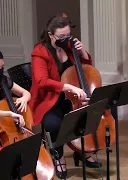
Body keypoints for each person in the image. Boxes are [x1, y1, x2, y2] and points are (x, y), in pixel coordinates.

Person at [29, 15, 101, 179]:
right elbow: (41, 81)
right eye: (61, 37)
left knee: (88, 115)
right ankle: (59, 157)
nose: (65, 39)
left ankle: (83, 152)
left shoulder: (69, 46)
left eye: (68, 35)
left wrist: (82, 51)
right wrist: (67, 86)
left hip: (72, 98)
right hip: (49, 100)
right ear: (50, 34)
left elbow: (86, 67)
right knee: (53, 124)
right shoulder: (39, 51)